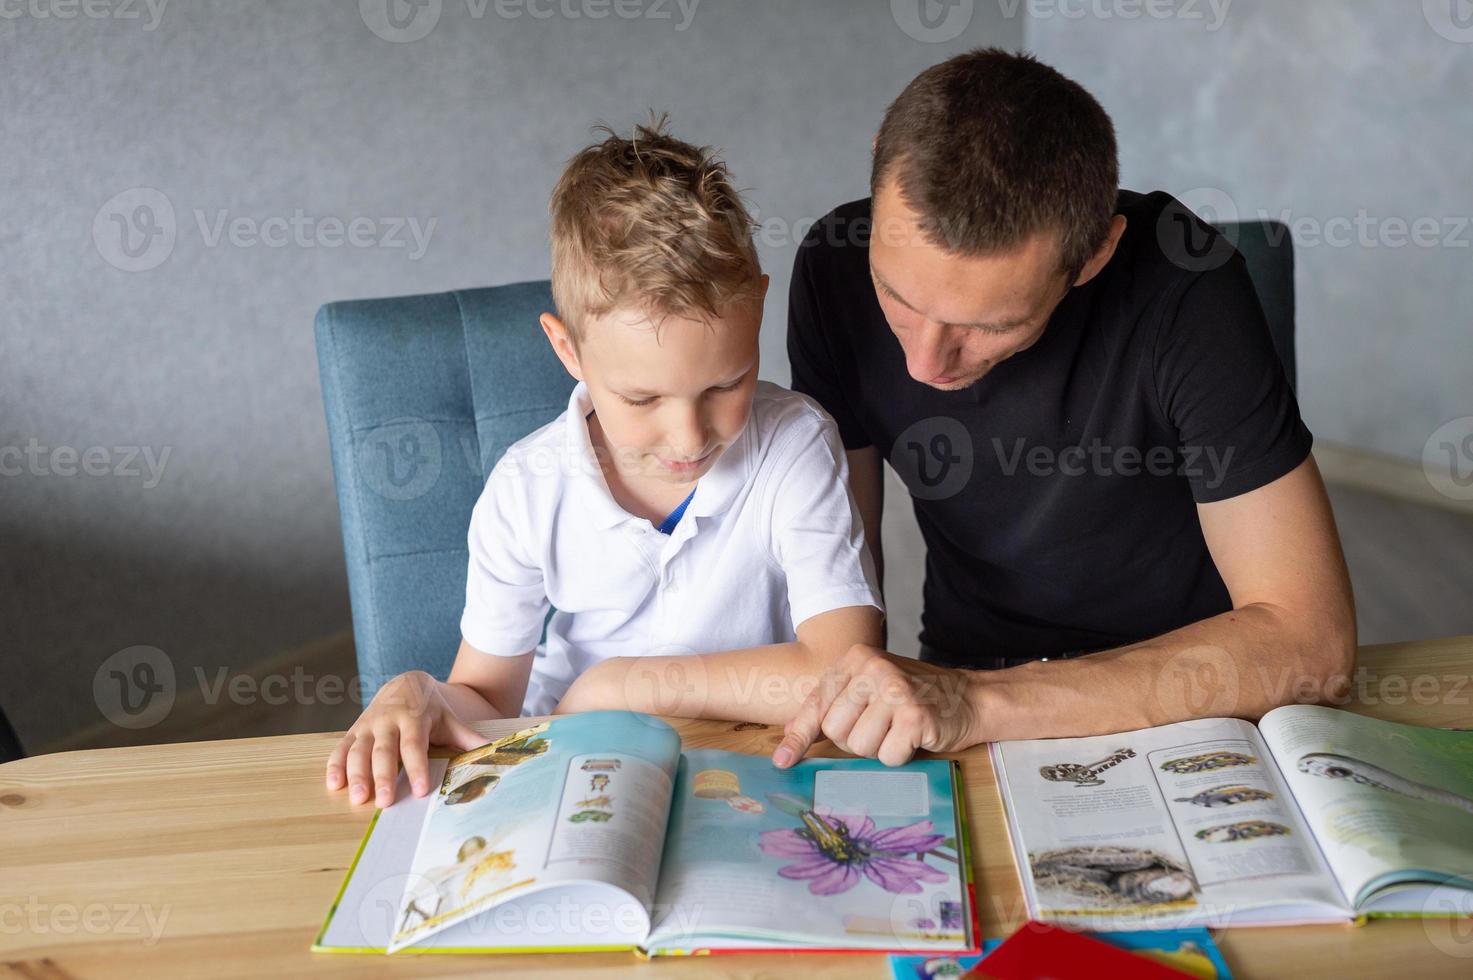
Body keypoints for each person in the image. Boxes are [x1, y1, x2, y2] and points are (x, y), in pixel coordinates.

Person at [773, 48, 1356, 769]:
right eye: (897, 296)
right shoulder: (833, 264)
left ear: (1093, 256)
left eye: (988, 326)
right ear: (876, 170)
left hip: (1189, 693)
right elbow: (841, 590)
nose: (923, 363)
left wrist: (980, 702)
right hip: (961, 675)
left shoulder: (1187, 287)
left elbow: (1309, 645)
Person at [326, 118, 884, 808]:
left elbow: (847, 673)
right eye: (642, 397)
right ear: (568, 352)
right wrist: (416, 691)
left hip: (746, 768)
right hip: (574, 767)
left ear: (758, 307)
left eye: (723, 385)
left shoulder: (794, 443)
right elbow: (486, 703)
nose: (686, 437)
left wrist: (625, 684)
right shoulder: (525, 490)